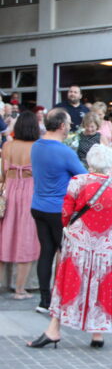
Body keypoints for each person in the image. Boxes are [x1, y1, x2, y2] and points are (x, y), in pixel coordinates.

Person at [27, 144, 112, 349]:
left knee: (68, 283)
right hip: (104, 249)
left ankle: (54, 329)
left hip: (77, 246)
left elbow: (65, 214)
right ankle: (98, 333)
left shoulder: (77, 182)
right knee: (101, 285)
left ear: (89, 162)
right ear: (110, 164)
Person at [30, 108, 87, 314]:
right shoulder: (64, 151)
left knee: (46, 252)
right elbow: (85, 177)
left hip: (38, 206)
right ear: (62, 125)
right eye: (69, 122)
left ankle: (44, 301)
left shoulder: (36, 146)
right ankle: (63, 299)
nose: (71, 126)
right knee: (65, 254)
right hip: (58, 210)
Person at [0, 112, 40, 300]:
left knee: (4, 236)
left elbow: (2, 174)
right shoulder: (38, 147)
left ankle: (2, 283)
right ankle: (20, 289)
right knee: (27, 237)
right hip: (30, 194)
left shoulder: (7, 146)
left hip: (9, 191)